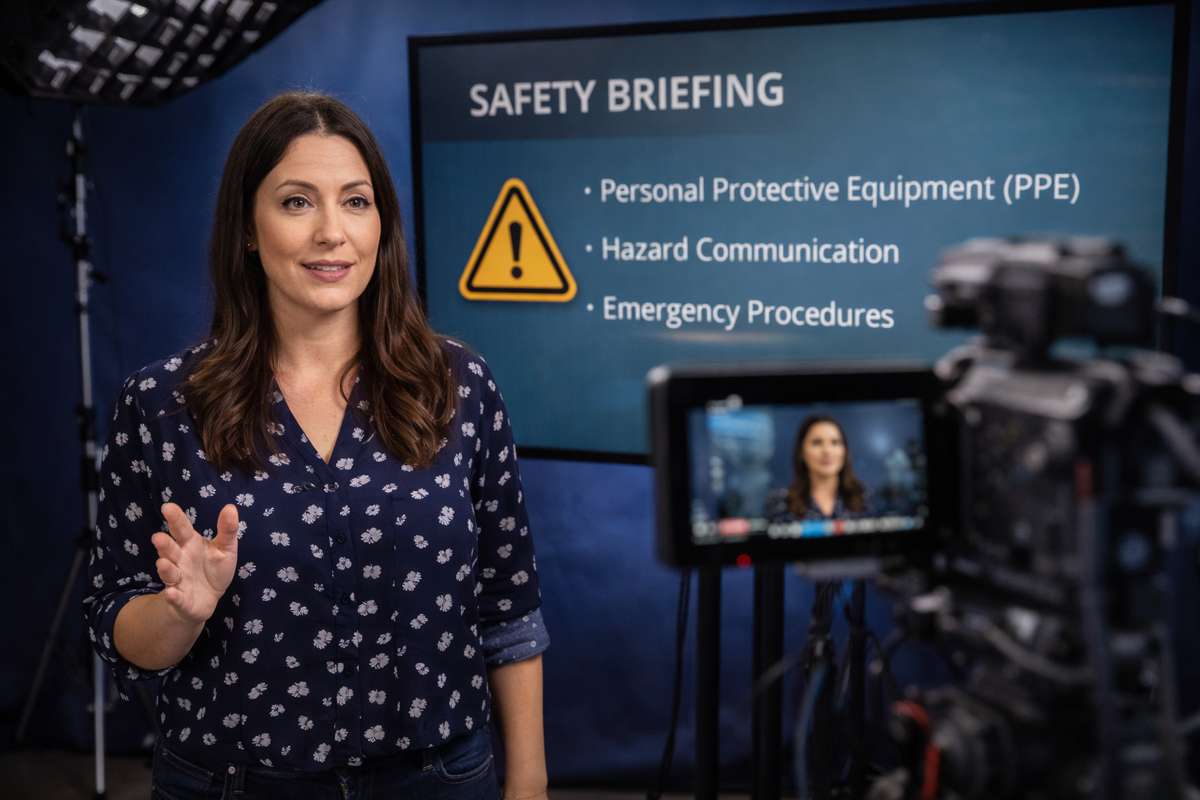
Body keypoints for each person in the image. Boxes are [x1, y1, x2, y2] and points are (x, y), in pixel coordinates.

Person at [83, 91, 548, 800]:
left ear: (382, 221)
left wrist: (530, 785)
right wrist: (180, 613)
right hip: (232, 782)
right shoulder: (161, 405)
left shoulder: (457, 384)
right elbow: (118, 623)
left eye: (356, 202)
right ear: (248, 225)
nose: (333, 232)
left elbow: (508, 609)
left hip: (441, 779)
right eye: (297, 202)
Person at [765, 414, 867, 525]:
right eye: (817, 443)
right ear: (801, 452)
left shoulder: (865, 499)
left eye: (835, 442)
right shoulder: (781, 503)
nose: (827, 451)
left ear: (845, 451)